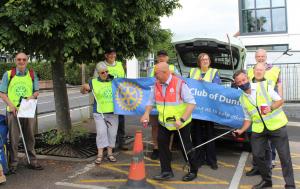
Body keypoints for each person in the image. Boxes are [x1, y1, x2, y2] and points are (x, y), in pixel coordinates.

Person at [233, 70, 295, 189]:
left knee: (284, 157)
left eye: (244, 80)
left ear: (248, 78)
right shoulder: (242, 99)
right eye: (239, 82)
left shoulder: (264, 86)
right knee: (257, 156)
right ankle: (267, 180)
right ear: (237, 84)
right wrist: (241, 130)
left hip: (276, 126)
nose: (242, 83)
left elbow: (280, 100)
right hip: (259, 129)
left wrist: (270, 108)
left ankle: (290, 185)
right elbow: (248, 118)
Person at [140, 62, 198, 182]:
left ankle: (193, 170)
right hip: (164, 123)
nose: (155, 76)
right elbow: (150, 102)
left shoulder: (179, 84)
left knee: (185, 147)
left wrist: (182, 119)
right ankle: (166, 172)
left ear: (165, 72)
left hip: (181, 123)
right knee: (163, 147)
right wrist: (146, 114)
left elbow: (192, 103)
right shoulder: (156, 85)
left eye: (156, 73)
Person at [0, 52, 43, 174]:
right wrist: (11, 105)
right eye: (19, 59)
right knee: (13, 139)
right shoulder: (8, 75)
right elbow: (2, 93)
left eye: (24, 59)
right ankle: (13, 163)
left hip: (27, 110)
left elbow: (36, 92)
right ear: (15, 61)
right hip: (13, 111)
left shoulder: (32, 74)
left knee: (29, 136)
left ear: (27, 61)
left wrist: (31, 97)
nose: (21, 62)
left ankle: (32, 161)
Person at [246, 49, 282, 176]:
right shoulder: (250, 71)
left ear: (266, 57)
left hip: (269, 111)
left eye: (262, 56)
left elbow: (279, 89)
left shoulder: (274, 70)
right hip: (256, 112)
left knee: (270, 141)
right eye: (258, 56)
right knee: (257, 142)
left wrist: (278, 104)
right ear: (255, 57)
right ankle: (257, 165)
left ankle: (270, 162)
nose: (260, 58)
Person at [189, 53, 221, 170]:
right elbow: (188, 86)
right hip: (196, 109)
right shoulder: (192, 72)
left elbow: (217, 88)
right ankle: (199, 159)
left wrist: (204, 83)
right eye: (202, 59)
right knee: (197, 135)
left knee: (209, 135)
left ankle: (212, 161)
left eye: (207, 59)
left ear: (210, 61)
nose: (205, 61)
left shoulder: (214, 72)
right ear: (199, 62)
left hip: (208, 109)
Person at [82, 62, 118, 164]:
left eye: (107, 71)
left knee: (112, 133)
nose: (105, 74)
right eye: (102, 72)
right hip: (99, 112)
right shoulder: (93, 82)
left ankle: (110, 154)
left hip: (112, 112)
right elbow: (83, 92)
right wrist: (84, 87)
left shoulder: (114, 80)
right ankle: (100, 154)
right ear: (98, 73)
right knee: (101, 133)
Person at [147, 50, 180, 160]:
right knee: (155, 127)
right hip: (156, 103)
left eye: (163, 56)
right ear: (157, 58)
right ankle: (156, 148)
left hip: (169, 104)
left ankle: (167, 150)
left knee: (169, 128)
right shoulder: (152, 69)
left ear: (167, 58)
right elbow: (147, 84)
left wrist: (175, 76)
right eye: (159, 56)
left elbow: (180, 81)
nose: (161, 58)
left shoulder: (173, 68)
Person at [94, 47, 128, 151]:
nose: (112, 56)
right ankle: (106, 145)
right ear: (106, 55)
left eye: (114, 53)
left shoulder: (119, 65)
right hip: (106, 98)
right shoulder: (101, 66)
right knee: (105, 124)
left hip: (118, 98)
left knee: (120, 121)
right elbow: (96, 81)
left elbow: (124, 79)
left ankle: (121, 142)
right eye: (110, 54)